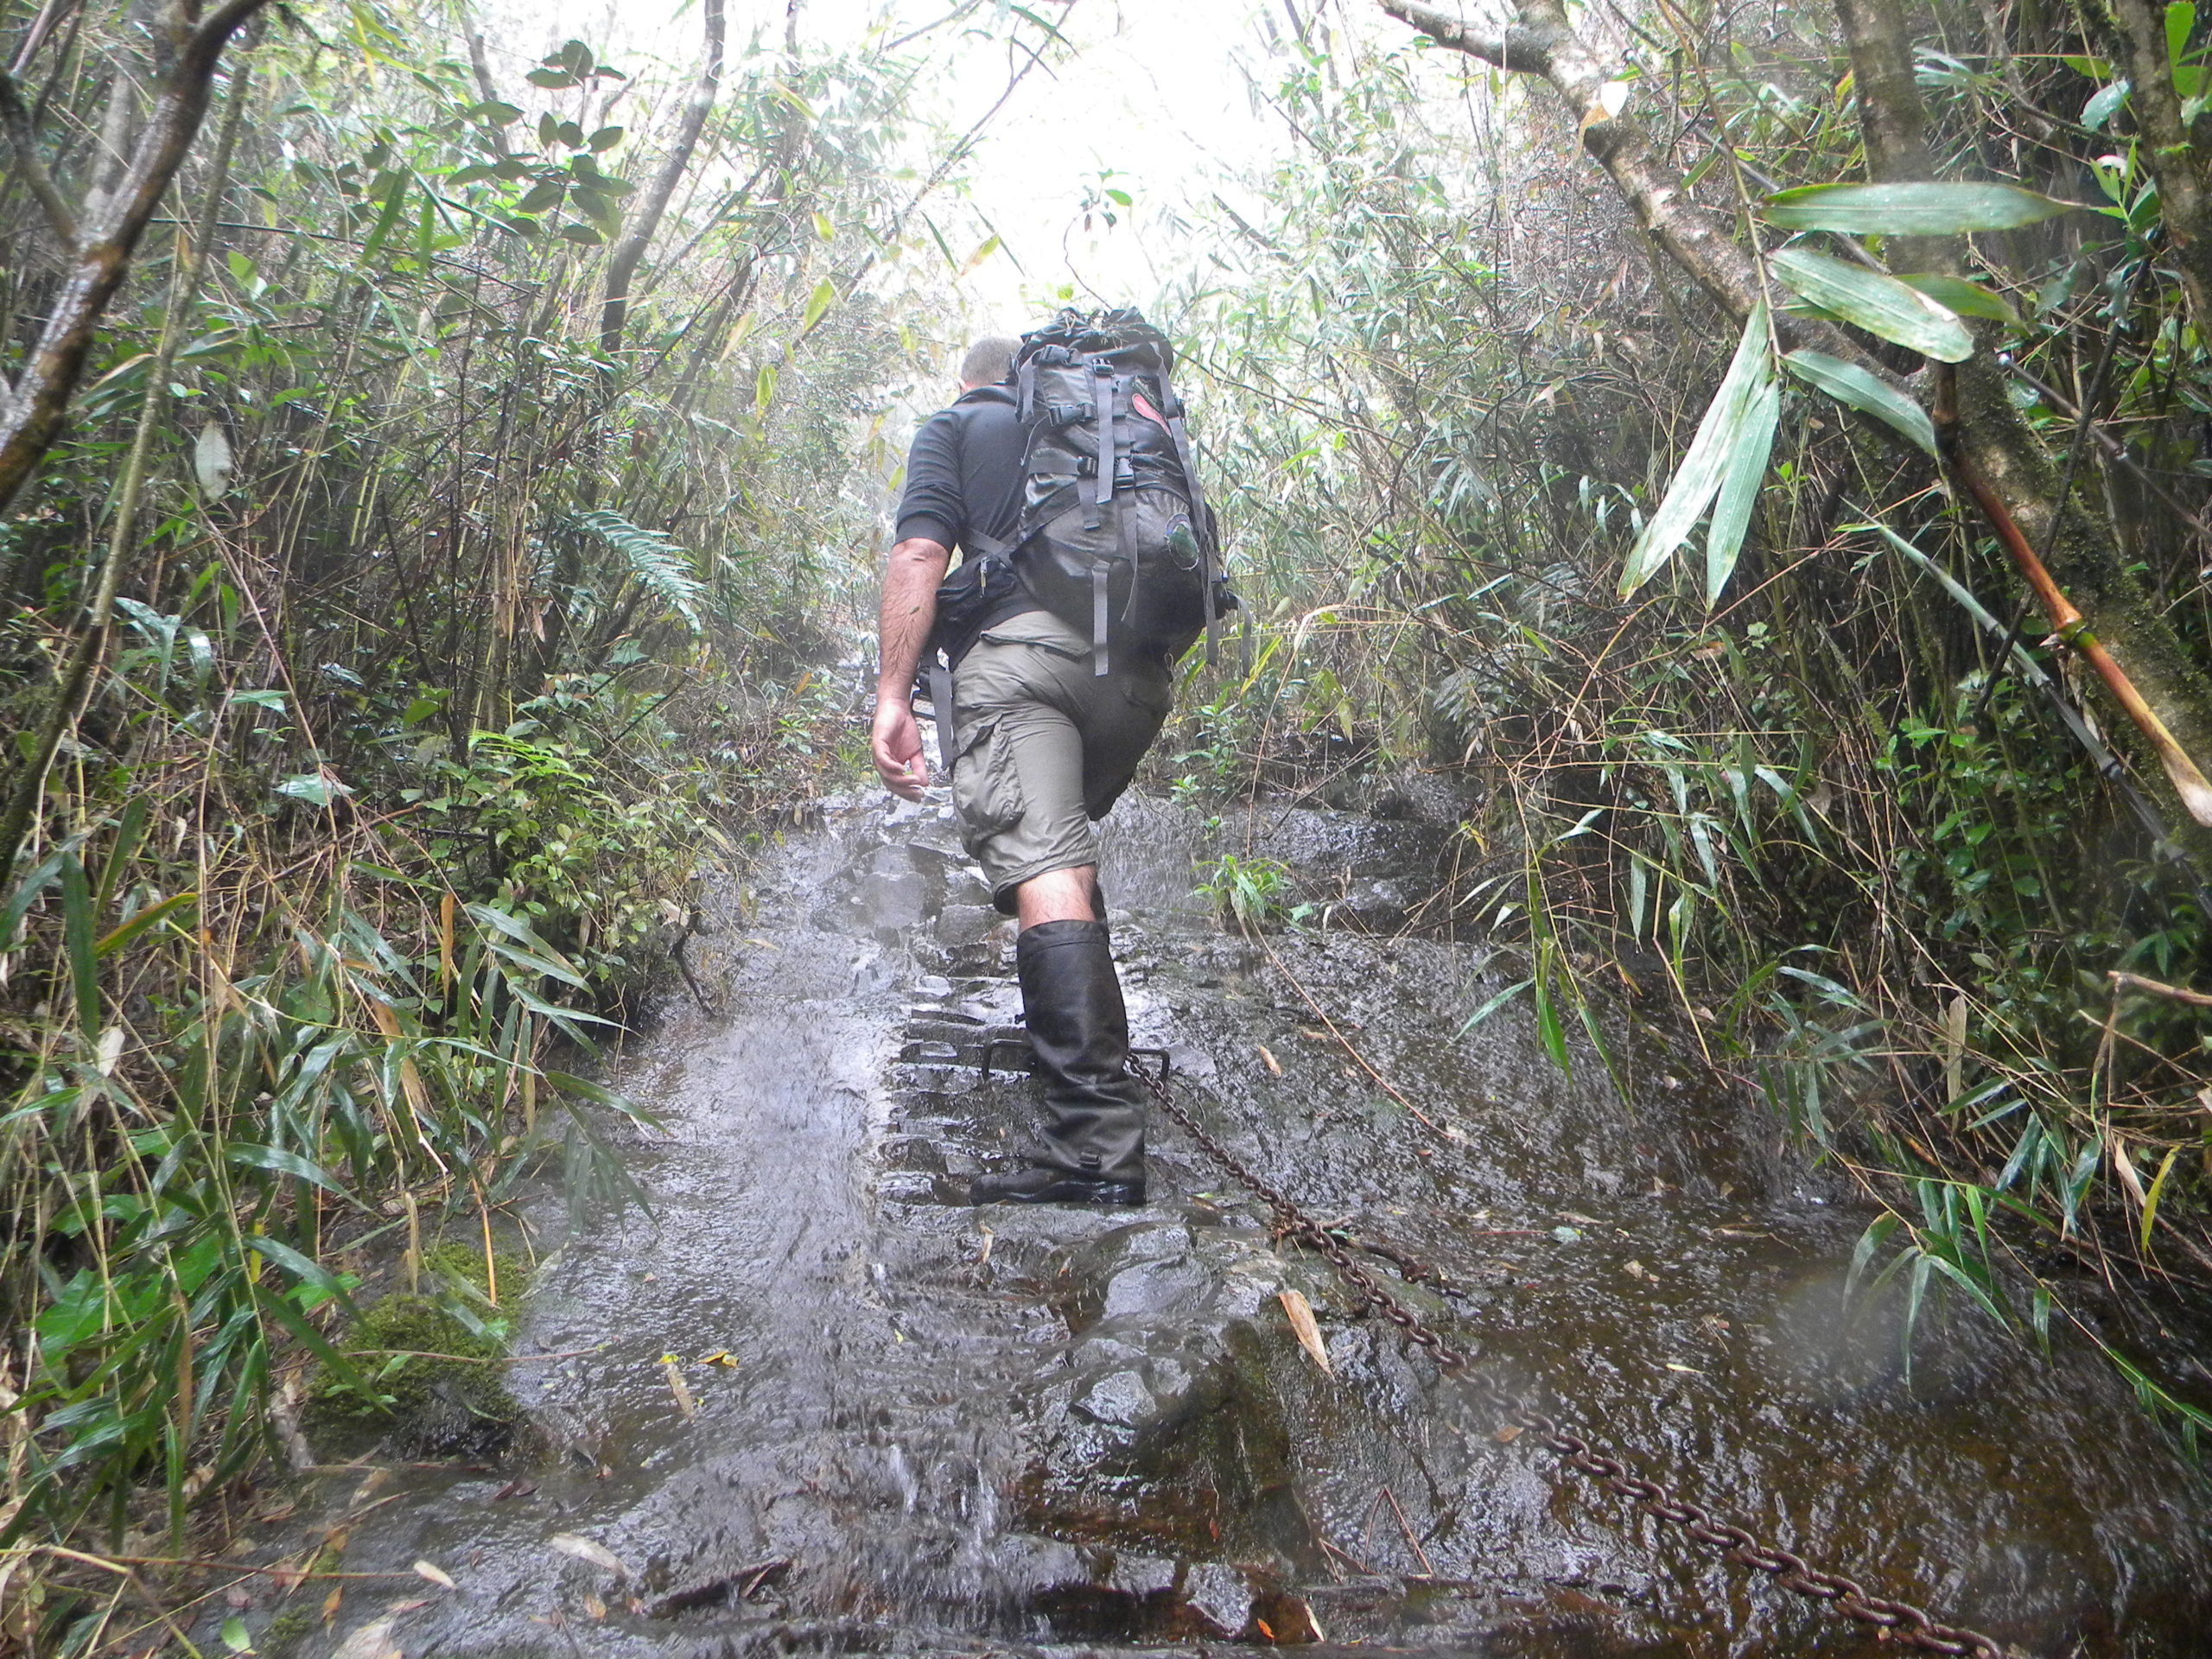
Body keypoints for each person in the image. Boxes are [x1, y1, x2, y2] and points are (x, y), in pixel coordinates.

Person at [871, 333, 1180, 1207]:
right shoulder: (1113, 432)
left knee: (1041, 863)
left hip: (1024, 669)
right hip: (1140, 682)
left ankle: (1092, 1147)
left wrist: (893, 694)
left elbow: (919, 557)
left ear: (966, 378)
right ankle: (1095, 1072)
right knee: (1061, 858)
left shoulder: (956, 426)